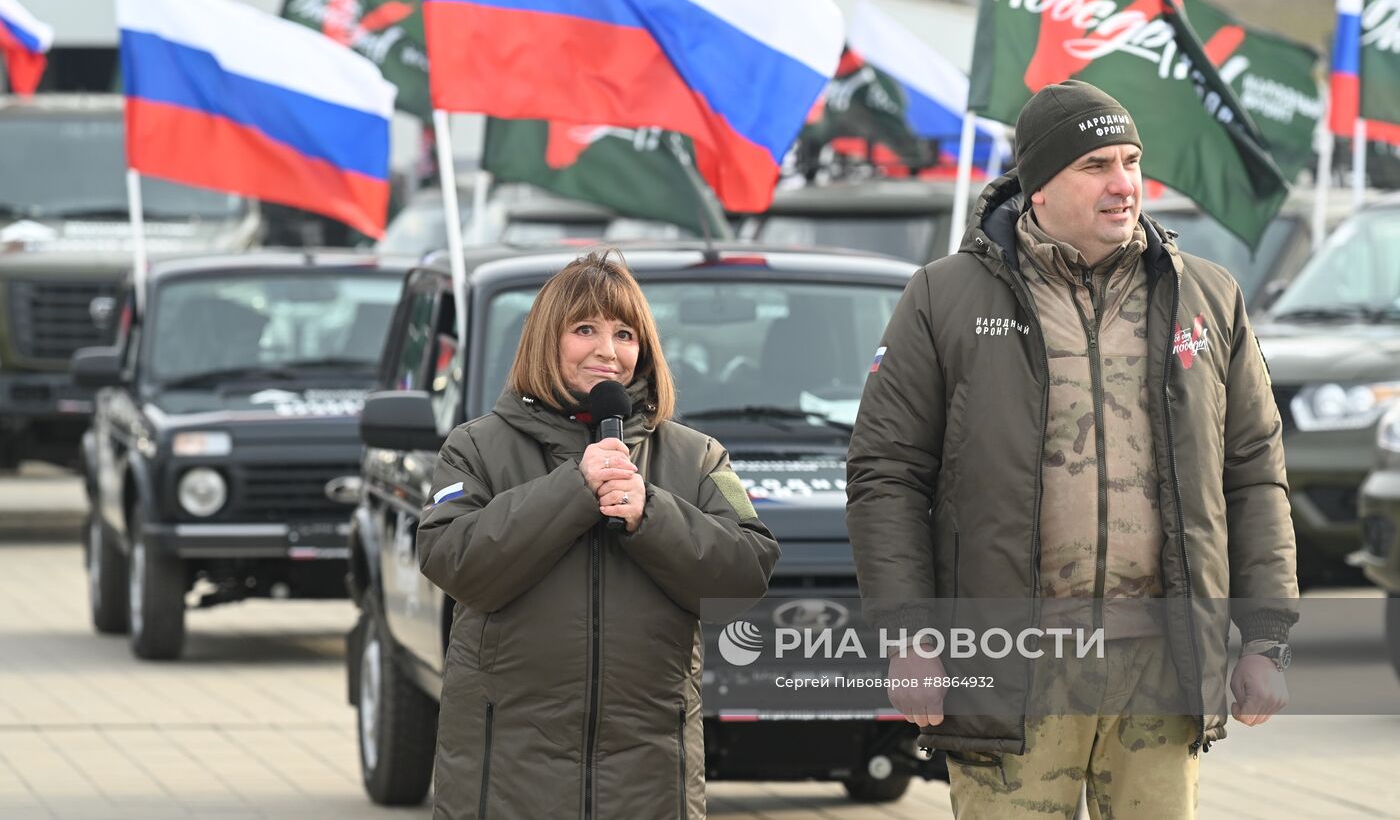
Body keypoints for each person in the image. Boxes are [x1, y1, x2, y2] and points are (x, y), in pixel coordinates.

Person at [846, 80, 1297, 819]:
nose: (1125, 185)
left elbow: (1253, 472)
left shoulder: (1208, 299)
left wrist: (1267, 635)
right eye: (1097, 165)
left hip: (1162, 666)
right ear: (1040, 187)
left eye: (1131, 160)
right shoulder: (945, 297)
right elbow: (886, 475)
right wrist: (909, 636)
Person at [418, 249, 779, 820]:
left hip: (649, 780)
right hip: (505, 780)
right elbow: (451, 558)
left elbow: (746, 572)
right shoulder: (474, 447)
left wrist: (652, 514)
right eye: (584, 329)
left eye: (625, 333)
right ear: (546, 339)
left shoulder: (697, 457)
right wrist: (574, 487)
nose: (607, 351)